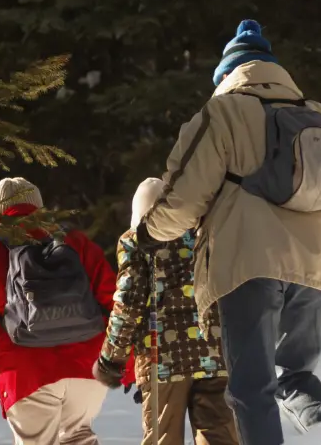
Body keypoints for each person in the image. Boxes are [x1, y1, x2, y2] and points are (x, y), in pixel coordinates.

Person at [139, 19, 321, 445]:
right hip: (315, 268)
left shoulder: (222, 113)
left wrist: (152, 231)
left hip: (247, 264)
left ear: (225, 76)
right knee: (294, 377)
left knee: (250, 388)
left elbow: (183, 195)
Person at [0, 178, 117, 445]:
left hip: (26, 371)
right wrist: (124, 363)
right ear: (39, 208)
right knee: (79, 436)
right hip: (88, 369)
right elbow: (114, 303)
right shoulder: (75, 243)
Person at [95, 178, 240, 445]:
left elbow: (129, 301)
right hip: (214, 352)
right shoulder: (204, 233)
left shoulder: (136, 241)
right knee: (220, 436)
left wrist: (111, 358)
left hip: (160, 359)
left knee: (163, 438)